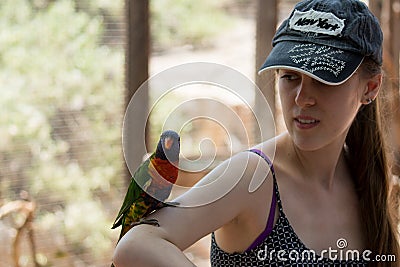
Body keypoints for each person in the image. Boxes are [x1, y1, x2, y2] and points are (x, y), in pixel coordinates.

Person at [113, 0, 400, 266]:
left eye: (324, 79)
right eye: (290, 77)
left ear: (370, 88)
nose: (302, 98)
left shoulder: (364, 174)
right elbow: (135, 244)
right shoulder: (252, 177)